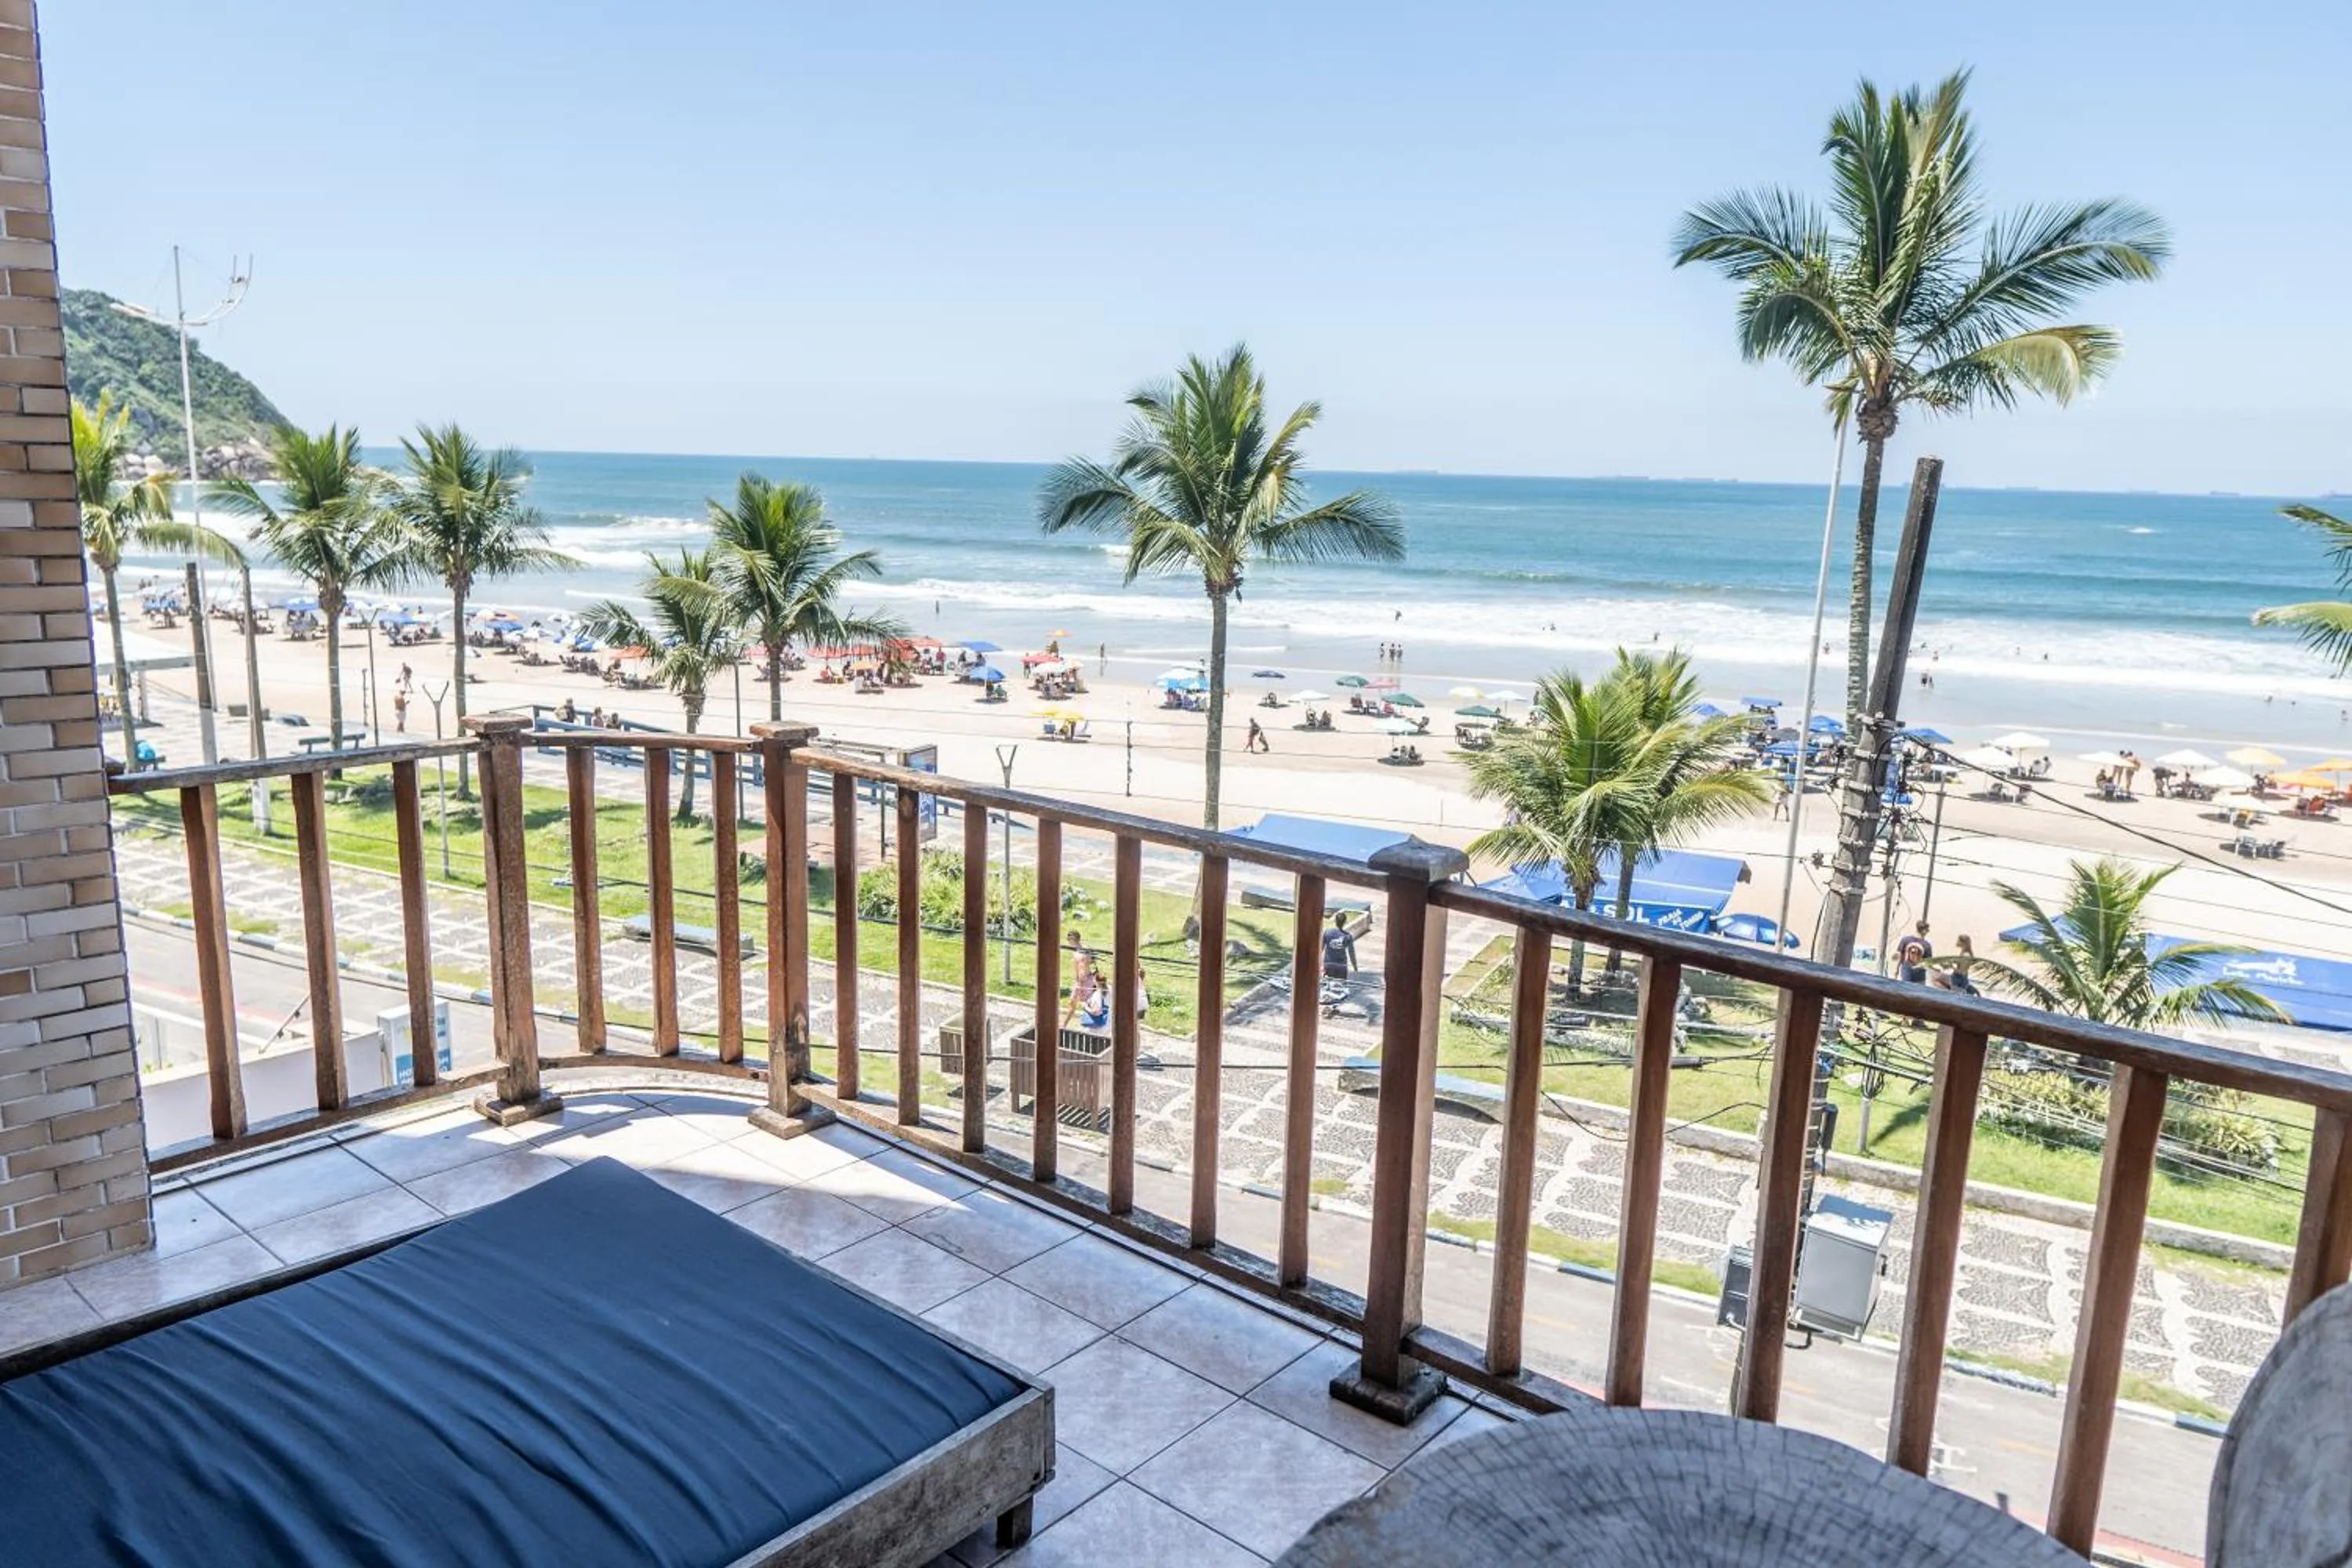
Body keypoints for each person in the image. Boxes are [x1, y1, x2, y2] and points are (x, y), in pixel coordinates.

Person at [1320, 910, 1358, 987]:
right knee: (1341, 987)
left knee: (1327, 986)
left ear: (1335, 920)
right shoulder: (1347, 936)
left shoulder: (1327, 932)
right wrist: (1355, 966)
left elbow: (1320, 949)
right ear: (1345, 922)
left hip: (1329, 964)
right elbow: (1351, 953)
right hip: (1341, 966)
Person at [1895, 920, 1933, 984]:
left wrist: (1896, 970)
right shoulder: (1927, 945)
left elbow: (1899, 956)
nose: (1928, 931)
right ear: (1923, 930)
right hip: (1919, 976)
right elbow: (1929, 963)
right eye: (1927, 930)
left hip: (1906, 973)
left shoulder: (1905, 940)